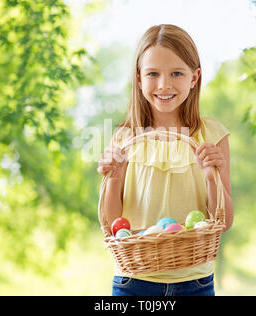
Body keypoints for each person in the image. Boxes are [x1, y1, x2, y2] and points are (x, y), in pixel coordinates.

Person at [97, 24, 234, 296]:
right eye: (153, 74)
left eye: (176, 73)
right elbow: (112, 225)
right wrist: (113, 177)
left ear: (194, 78)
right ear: (139, 78)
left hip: (195, 282)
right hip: (133, 282)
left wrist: (210, 176)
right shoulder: (125, 138)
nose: (164, 84)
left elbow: (225, 221)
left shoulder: (212, 136)